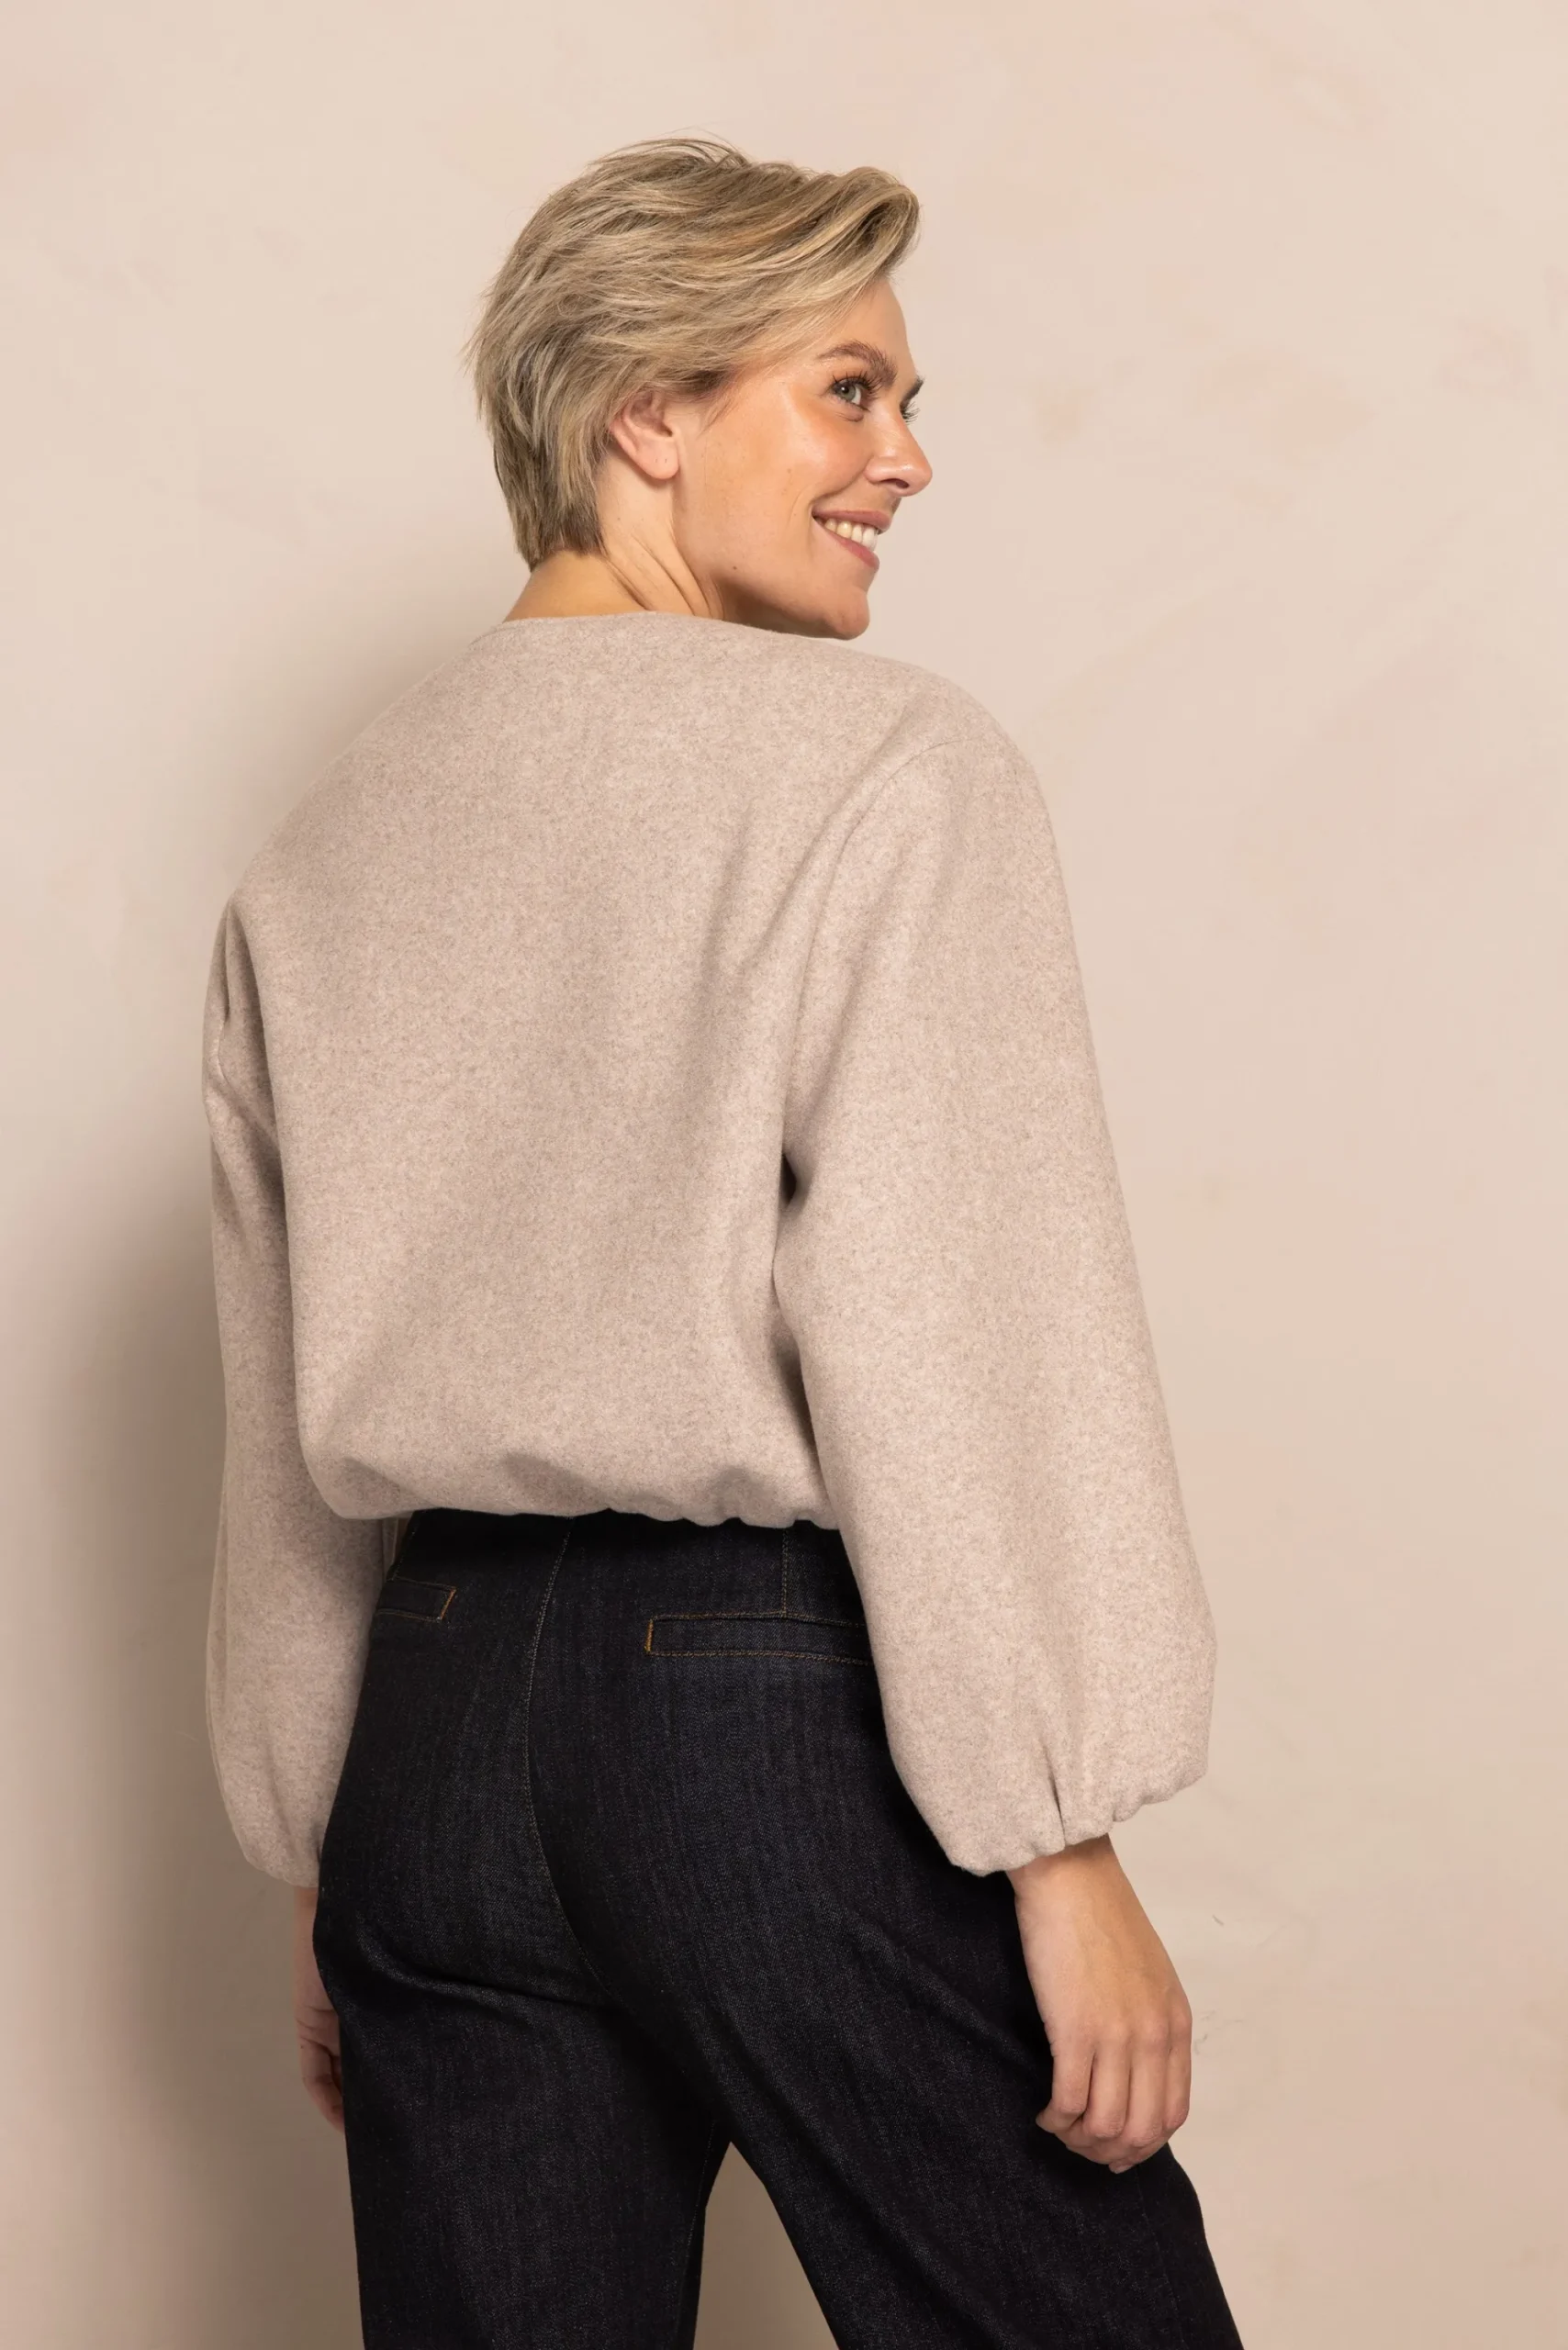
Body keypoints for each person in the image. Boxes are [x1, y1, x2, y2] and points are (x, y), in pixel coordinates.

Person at [201, 133, 1244, 2348]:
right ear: (643, 417)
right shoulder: (880, 769)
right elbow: (950, 1314)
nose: (909, 456)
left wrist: (323, 1843)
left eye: (904, 400)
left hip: (431, 1740)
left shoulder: (330, 837)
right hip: (766, 1720)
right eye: (847, 390)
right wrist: (1056, 1837)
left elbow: (275, 1398)